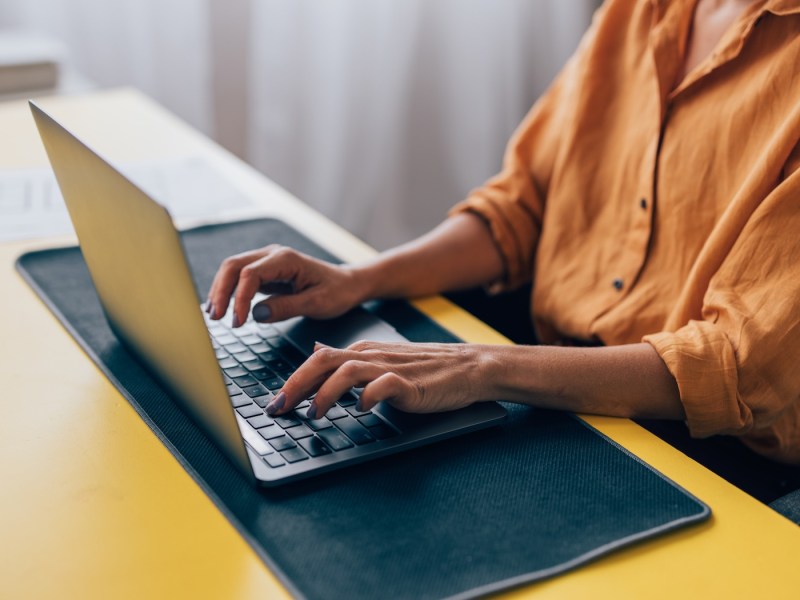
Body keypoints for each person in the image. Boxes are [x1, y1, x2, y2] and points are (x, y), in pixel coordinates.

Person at [206, 0, 800, 466]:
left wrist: (478, 367)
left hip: (705, 449)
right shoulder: (638, 10)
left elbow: (735, 368)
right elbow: (523, 207)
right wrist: (358, 279)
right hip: (552, 379)